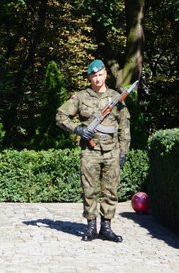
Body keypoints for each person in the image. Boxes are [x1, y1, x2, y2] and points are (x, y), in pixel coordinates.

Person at [56, 59, 130, 242]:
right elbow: (60, 116)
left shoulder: (116, 98)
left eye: (100, 75)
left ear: (105, 74)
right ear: (89, 78)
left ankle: (106, 227)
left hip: (112, 151)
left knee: (111, 190)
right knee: (89, 190)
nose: (97, 79)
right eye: (94, 76)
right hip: (90, 151)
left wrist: (124, 151)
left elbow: (124, 125)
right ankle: (91, 227)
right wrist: (77, 129)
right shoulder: (81, 97)